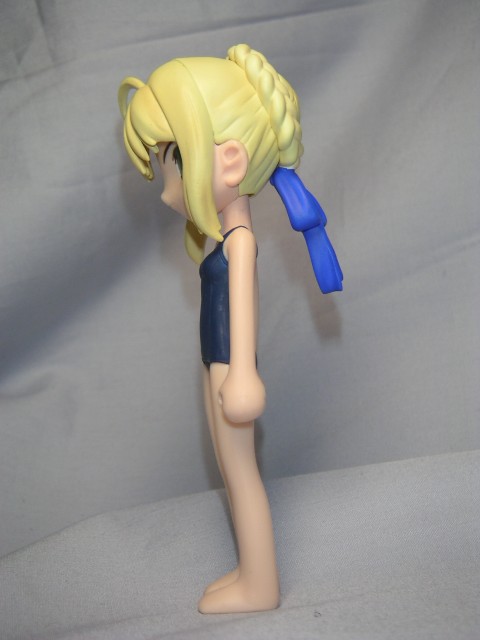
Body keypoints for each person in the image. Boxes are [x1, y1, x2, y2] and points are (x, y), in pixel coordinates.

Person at [118, 43, 342, 614]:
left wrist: (242, 373)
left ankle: (259, 585)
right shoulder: (223, 238)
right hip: (214, 362)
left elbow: (242, 307)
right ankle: (250, 569)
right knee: (231, 467)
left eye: (175, 158)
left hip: (227, 368)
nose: (166, 182)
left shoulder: (239, 243)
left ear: (232, 161)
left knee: (240, 472)